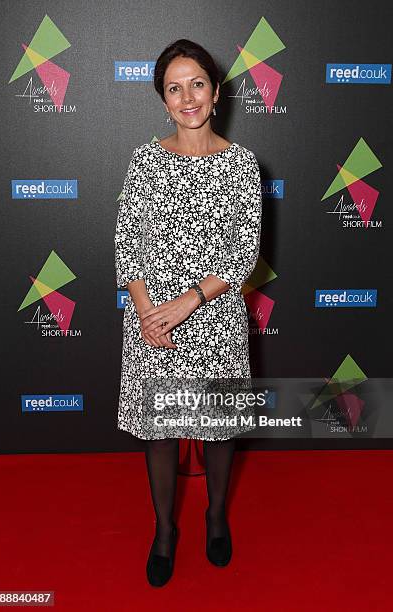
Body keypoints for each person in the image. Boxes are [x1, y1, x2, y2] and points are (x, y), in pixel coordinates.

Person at [114, 39, 262, 587]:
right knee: (160, 431)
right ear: (163, 101)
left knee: (219, 429)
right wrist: (148, 311)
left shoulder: (244, 166)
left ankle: (216, 515)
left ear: (216, 91)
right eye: (174, 88)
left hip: (214, 315)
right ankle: (164, 530)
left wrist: (187, 302)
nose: (187, 96)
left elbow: (243, 251)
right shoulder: (144, 162)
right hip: (153, 322)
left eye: (196, 83)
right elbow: (127, 243)